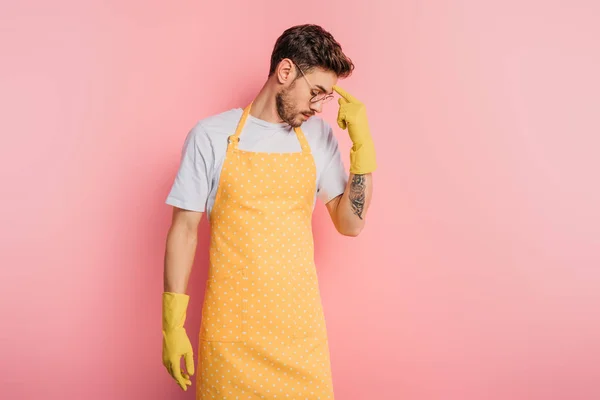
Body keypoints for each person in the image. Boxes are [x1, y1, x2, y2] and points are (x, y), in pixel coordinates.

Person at [161, 23, 376, 399]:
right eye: (316, 93)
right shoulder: (210, 136)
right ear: (286, 71)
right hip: (231, 337)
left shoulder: (318, 137)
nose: (318, 107)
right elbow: (184, 231)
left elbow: (351, 223)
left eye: (326, 97)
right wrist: (172, 326)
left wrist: (363, 145)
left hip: (299, 336)